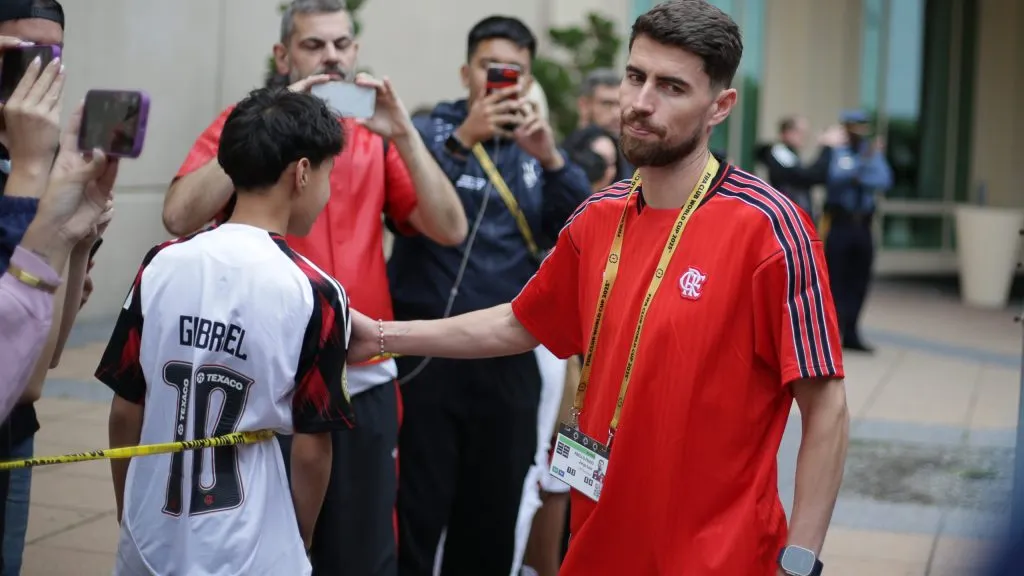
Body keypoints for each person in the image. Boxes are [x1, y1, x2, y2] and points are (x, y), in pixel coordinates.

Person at [357, 2, 849, 574]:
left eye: (671, 87)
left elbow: (826, 406)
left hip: (720, 557)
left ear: (720, 106)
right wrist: (384, 336)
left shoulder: (771, 228)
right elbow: (519, 322)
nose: (640, 103)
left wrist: (801, 561)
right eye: (635, 76)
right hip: (595, 550)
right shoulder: (598, 217)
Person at [162, 2, 467, 573]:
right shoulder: (243, 123)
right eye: (313, 46)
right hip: (263, 373)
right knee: (262, 542)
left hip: (362, 371)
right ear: (283, 56)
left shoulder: (372, 138)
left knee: (363, 547)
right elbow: (178, 216)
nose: (332, 56)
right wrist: (265, 132)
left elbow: (450, 227)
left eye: (343, 44)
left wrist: (402, 133)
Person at [97, 87, 353, 576]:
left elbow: (125, 407)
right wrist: (300, 535)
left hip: (150, 538)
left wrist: (129, 512)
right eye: (328, 173)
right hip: (251, 545)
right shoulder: (315, 291)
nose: (327, 189)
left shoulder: (161, 262)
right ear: (302, 172)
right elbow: (313, 447)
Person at [386, 15, 591, 576]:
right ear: (466, 71)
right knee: (418, 504)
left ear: (528, 79)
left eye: (515, 72)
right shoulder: (430, 132)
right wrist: (462, 140)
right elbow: (407, 204)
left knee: (495, 507)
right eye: (490, 68)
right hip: (429, 352)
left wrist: (550, 155)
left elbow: (579, 226)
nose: (501, 81)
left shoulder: (534, 145)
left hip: (507, 354)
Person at [823, 109, 893, 353]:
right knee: (834, 280)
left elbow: (884, 180)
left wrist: (856, 174)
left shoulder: (869, 152)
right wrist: (863, 167)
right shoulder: (838, 150)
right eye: (854, 128)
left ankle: (852, 333)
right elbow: (835, 177)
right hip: (840, 224)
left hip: (863, 225)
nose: (858, 133)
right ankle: (833, 333)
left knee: (859, 281)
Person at [755, 115, 844, 223]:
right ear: (786, 133)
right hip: (788, 218)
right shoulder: (779, 151)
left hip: (796, 216)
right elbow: (808, 176)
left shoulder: (790, 154)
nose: (804, 136)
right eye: (800, 132)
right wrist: (826, 147)